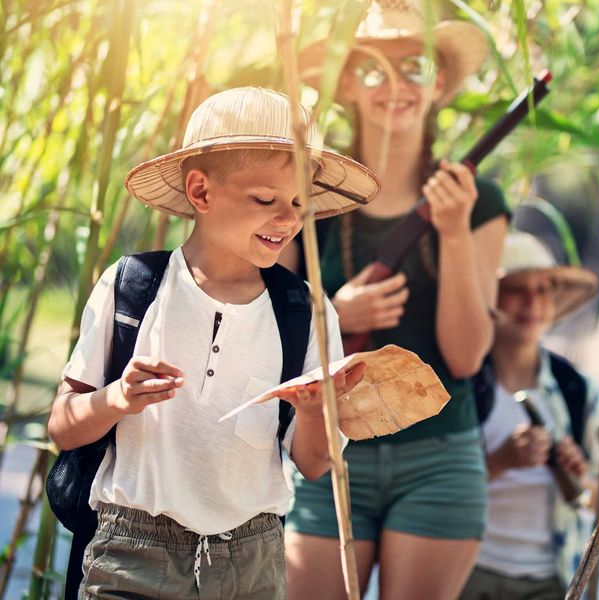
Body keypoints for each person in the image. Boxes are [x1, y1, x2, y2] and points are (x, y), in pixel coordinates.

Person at [46, 87, 379, 598]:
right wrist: (118, 398)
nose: (288, 219)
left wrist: (313, 410)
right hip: (131, 553)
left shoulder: (307, 313)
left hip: (250, 561)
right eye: (265, 200)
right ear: (201, 192)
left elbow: (315, 464)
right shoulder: (132, 287)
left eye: (298, 203)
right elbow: (62, 427)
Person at [285, 2, 510, 598]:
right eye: (371, 69)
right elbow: (270, 335)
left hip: (441, 460)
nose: (394, 85)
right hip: (326, 451)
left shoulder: (480, 201)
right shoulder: (305, 197)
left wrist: (454, 231)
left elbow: (465, 357)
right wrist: (336, 315)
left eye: (416, 66)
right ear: (346, 86)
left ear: (439, 83)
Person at [460, 231, 599, 600]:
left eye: (542, 290)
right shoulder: (461, 385)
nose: (532, 302)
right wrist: (501, 461)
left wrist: (578, 477)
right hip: (468, 571)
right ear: (490, 297)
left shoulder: (577, 390)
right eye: (516, 289)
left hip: (551, 579)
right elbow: (431, 489)